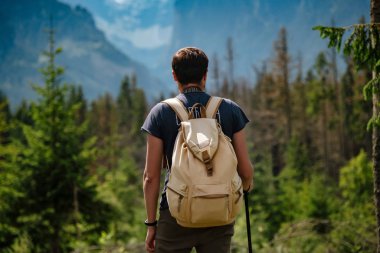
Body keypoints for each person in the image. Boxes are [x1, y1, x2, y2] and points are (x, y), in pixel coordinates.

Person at [141, 47, 253, 253]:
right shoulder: (229, 109)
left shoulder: (161, 113)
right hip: (220, 211)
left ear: (174, 75)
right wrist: (243, 189)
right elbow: (245, 171)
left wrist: (151, 224)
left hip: (176, 213)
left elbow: (151, 177)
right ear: (205, 75)